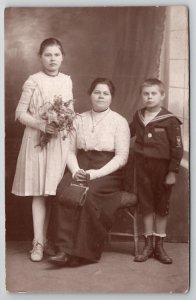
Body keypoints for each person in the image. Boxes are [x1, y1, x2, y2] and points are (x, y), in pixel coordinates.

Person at [48, 77, 131, 266]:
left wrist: (95, 174)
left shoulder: (119, 122)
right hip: (81, 165)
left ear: (111, 97)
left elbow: (121, 157)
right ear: (90, 94)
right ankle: (63, 249)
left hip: (108, 171)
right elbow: (69, 151)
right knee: (63, 190)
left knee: (89, 194)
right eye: (97, 92)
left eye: (105, 93)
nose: (101, 96)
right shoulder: (78, 119)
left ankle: (80, 253)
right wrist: (76, 170)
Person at [11, 38, 74, 262]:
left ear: (62, 57)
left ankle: (47, 240)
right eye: (48, 55)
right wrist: (41, 124)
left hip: (58, 142)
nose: (52, 59)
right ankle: (37, 243)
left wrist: (64, 123)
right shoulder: (33, 81)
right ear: (40, 57)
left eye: (56, 55)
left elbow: (70, 110)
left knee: (51, 192)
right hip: (37, 141)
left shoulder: (67, 81)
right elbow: (19, 113)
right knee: (39, 192)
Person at [130, 78, 183, 264]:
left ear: (162, 95)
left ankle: (159, 246)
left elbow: (177, 148)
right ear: (141, 96)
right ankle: (148, 245)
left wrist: (172, 172)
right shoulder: (138, 116)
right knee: (146, 206)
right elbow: (126, 132)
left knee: (161, 206)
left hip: (162, 170)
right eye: (146, 94)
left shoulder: (170, 120)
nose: (149, 97)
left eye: (153, 93)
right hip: (142, 168)